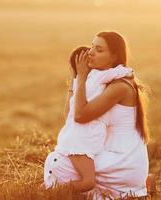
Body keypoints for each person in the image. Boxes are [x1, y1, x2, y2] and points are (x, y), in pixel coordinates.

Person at [44, 31, 151, 199]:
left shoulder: (120, 86)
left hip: (123, 160)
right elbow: (70, 116)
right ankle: (140, 185)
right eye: (92, 46)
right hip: (113, 153)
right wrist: (75, 78)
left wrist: (81, 78)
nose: (91, 52)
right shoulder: (103, 80)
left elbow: (80, 116)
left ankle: (59, 192)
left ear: (114, 57)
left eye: (99, 49)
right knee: (61, 158)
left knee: (59, 164)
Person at [51, 46, 134, 193]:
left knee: (87, 181)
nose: (92, 55)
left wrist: (77, 77)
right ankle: (53, 191)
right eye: (88, 55)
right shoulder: (92, 79)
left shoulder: (86, 82)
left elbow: (70, 115)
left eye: (98, 50)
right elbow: (72, 115)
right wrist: (128, 71)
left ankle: (52, 190)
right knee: (88, 181)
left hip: (76, 140)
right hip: (80, 141)